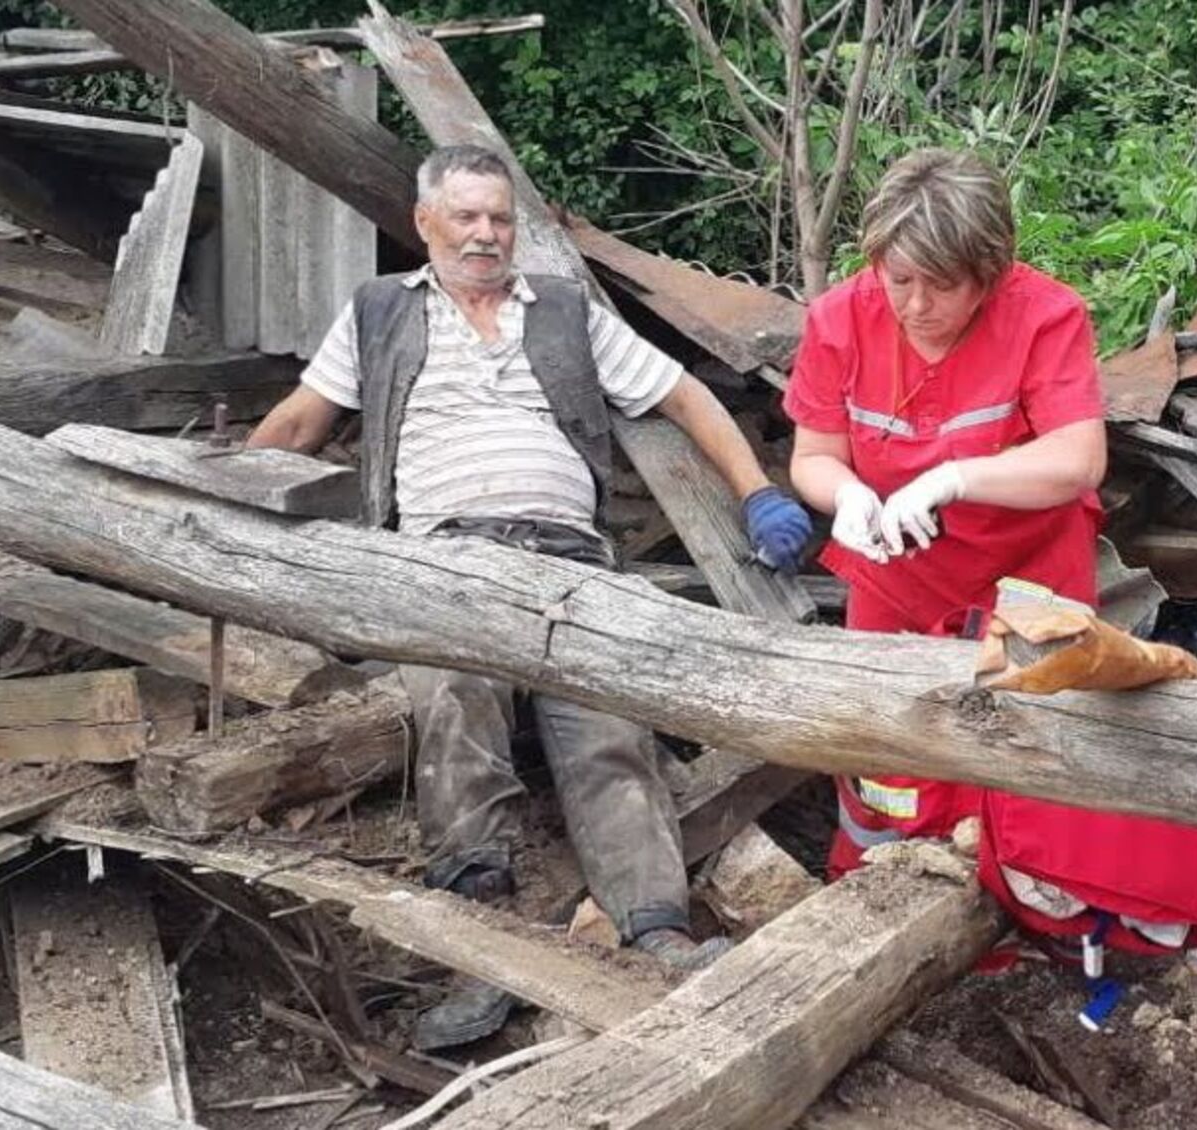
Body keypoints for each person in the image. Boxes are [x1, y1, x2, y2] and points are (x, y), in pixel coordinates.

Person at [247, 143, 812, 1046]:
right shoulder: (379, 312)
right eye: (467, 217)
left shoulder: (564, 313)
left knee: (609, 724)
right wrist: (214, 505)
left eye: (500, 219)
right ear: (426, 222)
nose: (486, 235)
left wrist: (758, 492)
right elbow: (301, 424)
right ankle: (481, 948)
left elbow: (685, 400)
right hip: (444, 559)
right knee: (455, 696)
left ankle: (656, 930)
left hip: (569, 561)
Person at [783, 147, 1197, 963]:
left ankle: (1012, 933)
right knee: (886, 755)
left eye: (944, 285)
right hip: (896, 577)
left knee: (1017, 758)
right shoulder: (839, 319)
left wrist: (956, 477)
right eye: (899, 281)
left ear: (991, 272)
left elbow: (1078, 460)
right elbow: (812, 455)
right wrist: (848, 498)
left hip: (1025, 579)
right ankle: (872, 898)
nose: (917, 305)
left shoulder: (1045, 316)